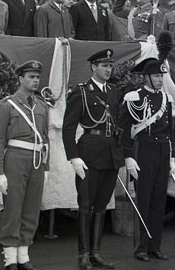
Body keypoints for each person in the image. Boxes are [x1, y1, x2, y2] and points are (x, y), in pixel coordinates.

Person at [62, 49, 123, 269]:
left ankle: (96, 252)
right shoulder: (81, 92)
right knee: (85, 205)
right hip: (89, 152)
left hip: (111, 153)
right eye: (104, 65)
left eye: (110, 66)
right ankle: (83, 254)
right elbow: (68, 128)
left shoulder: (114, 91)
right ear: (93, 67)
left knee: (102, 205)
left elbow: (118, 123)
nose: (108, 69)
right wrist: (74, 157)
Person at [119, 35, 175, 262]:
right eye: (156, 76)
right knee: (143, 199)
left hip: (162, 150)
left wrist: (171, 158)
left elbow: (169, 131)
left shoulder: (165, 99)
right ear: (147, 77)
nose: (160, 80)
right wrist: (128, 157)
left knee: (159, 199)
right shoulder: (134, 97)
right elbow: (124, 130)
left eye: (162, 76)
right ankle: (141, 247)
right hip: (143, 149)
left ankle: (155, 246)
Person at [0, 61, 50, 270]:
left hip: (37, 160)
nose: (35, 80)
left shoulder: (41, 105)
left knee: (31, 209)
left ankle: (23, 255)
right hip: (15, 158)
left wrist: (46, 167)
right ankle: (10, 258)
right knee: (13, 208)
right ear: (20, 79)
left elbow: (45, 138)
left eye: (37, 77)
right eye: (31, 77)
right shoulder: (7, 105)